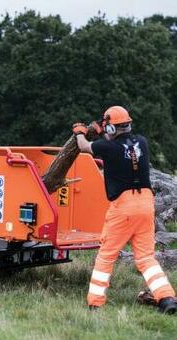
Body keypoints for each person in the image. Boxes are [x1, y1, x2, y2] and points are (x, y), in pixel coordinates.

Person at [72, 105, 176, 314]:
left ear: (111, 129)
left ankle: (95, 303)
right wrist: (105, 132)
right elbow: (124, 148)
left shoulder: (106, 147)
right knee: (146, 257)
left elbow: (84, 147)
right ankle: (166, 299)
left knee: (106, 255)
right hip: (146, 203)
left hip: (123, 206)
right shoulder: (142, 142)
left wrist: (79, 133)